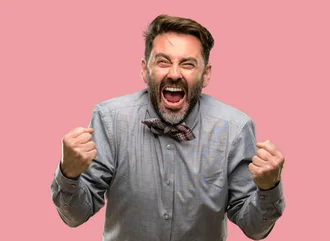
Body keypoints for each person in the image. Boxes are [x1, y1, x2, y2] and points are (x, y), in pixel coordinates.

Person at [50, 14, 286, 241]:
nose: (174, 74)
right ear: (145, 69)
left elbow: (253, 229)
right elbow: (76, 216)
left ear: (206, 75)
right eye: (163, 61)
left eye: (188, 64)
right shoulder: (109, 120)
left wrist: (269, 189)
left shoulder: (235, 128)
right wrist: (69, 174)